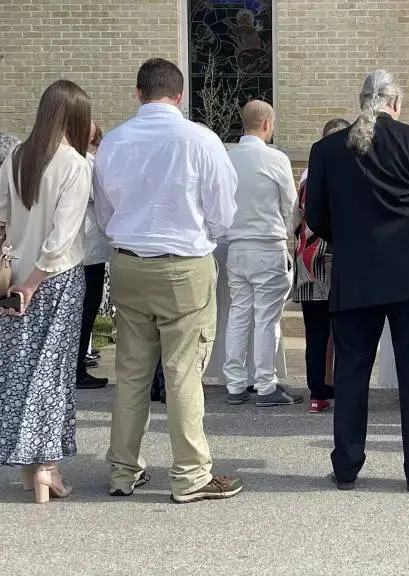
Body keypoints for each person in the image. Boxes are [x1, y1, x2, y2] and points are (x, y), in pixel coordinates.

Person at [94, 58, 243, 503]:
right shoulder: (201, 139)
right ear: (180, 95)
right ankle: (191, 474)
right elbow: (223, 211)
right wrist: (203, 235)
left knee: (131, 372)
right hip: (183, 264)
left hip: (129, 261)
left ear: (138, 93)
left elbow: (104, 210)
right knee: (182, 371)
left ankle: (123, 469)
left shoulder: (114, 141)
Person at [306, 70, 409, 492]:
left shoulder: (327, 149)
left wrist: (348, 240)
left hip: (355, 273)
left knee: (351, 371)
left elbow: (315, 214)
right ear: (397, 103)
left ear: (361, 101)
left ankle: (346, 465)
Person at [0, 80, 92, 503]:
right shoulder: (74, 164)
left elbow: (2, 217)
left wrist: (16, 279)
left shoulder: (17, 156)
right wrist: (34, 283)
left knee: (19, 370)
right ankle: (46, 468)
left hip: (14, 275)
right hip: (56, 279)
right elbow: (61, 238)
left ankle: (25, 466)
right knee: (51, 375)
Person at [223, 100, 301, 407]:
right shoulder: (275, 158)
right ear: (267, 124)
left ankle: (234, 383)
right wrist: (288, 233)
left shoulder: (227, 158)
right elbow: (291, 206)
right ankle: (266, 384)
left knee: (239, 314)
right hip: (267, 245)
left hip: (236, 246)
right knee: (267, 319)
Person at [293, 118, 350, 413]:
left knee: (314, 331)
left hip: (309, 260)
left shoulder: (307, 179)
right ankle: (343, 387)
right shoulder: (349, 177)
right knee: (345, 330)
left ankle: (317, 392)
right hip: (341, 260)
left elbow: (295, 220)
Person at [77, 122, 111, 390]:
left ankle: (77, 364)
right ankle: (78, 367)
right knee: (87, 307)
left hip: (83, 247)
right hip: (89, 248)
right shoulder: (87, 165)